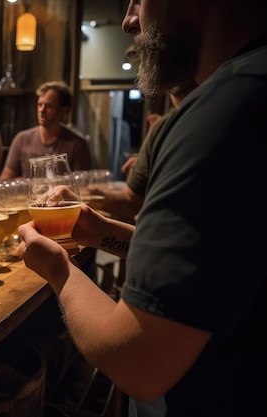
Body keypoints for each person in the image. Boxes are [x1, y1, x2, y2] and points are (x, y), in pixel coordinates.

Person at [16, 1, 267, 416]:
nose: (130, 20)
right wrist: (99, 231)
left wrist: (57, 267)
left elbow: (137, 361)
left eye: (138, 0)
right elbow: (217, 265)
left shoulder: (222, 110)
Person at [91, 78, 198, 222]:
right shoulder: (162, 128)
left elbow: (130, 203)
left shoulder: (164, 127)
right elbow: (131, 201)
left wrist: (88, 195)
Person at [0, 81, 93, 181]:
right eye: (40, 105)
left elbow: (83, 186)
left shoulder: (77, 144)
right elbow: (5, 181)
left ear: (63, 111)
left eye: (49, 106)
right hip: (28, 196)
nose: (42, 110)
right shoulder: (22, 139)